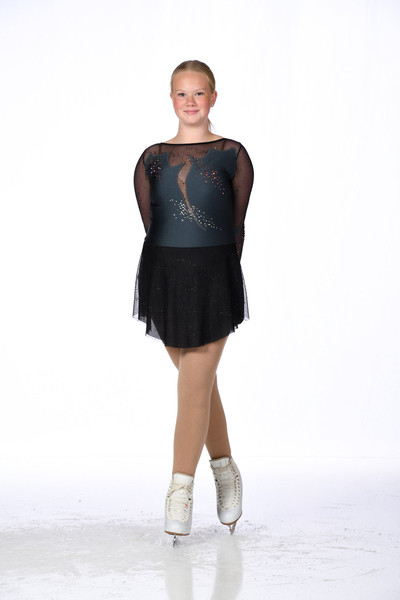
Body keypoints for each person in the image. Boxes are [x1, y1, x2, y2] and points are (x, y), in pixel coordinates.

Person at [132, 60, 254, 540]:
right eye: (181, 94)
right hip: (165, 275)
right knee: (198, 387)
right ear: (171, 99)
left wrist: (219, 273)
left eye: (198, 93)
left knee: (192, 387)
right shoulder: (152, 158)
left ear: (213, 97)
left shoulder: (232, 154)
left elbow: (236, 224)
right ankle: (225, 468)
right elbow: (153, 225)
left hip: (213, 276)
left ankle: (180, 488)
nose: (190, 102)